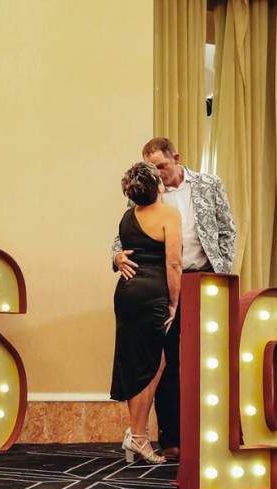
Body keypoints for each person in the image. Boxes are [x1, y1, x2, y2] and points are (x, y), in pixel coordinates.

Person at [111, 137, 236, 460]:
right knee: (164, 362)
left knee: (205, 356)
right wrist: (117, 257)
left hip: (203, 277)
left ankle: (214, 434)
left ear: (176, 159)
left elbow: (227, 229)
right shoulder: (149, 193)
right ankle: (172, 438)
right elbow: (124, 233)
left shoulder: (208, 184)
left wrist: (223, 267)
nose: (157, 174)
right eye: (151, 168)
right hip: (164, 286)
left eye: (162, 166)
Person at [110, 162, 182, 465]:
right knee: (152, 366)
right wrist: (174, 304)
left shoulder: (129, 217)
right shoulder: (168, 214)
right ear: (159, 187)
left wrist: (115, 256)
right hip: (154, 295)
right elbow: (174, 263)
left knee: (136, 365)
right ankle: (138, 436)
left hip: (126, 294)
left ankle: (137, 434)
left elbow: (124, 251)